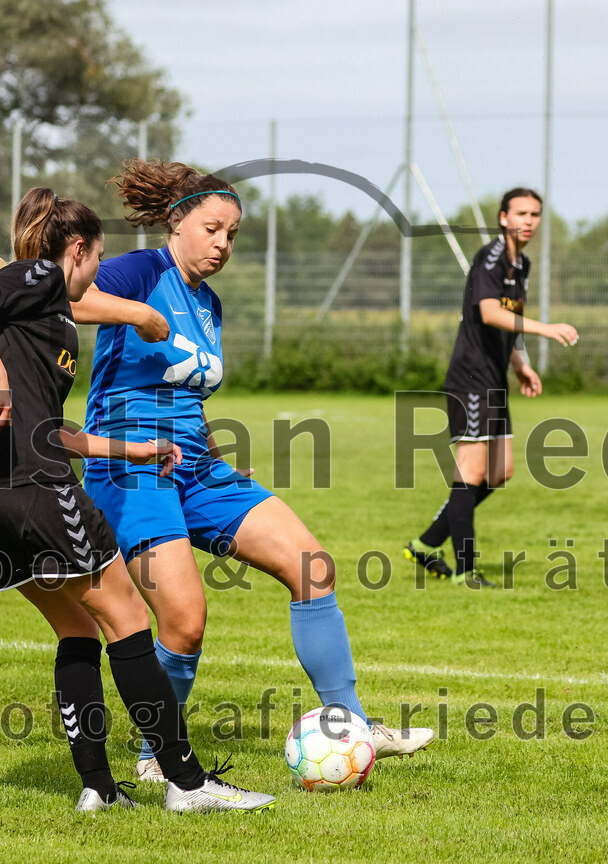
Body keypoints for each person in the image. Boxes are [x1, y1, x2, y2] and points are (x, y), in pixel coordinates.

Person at [76, 160, 436, 783]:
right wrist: (135, 315)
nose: (223, 244)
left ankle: (350, 723)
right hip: (130, 470)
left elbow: (188, 397)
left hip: (195, 468)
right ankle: (156, 757)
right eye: (213, 228)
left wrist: (212, 454)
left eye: (232, 234)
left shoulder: (209, 303)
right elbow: (69, 298)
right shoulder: (139, 271)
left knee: (311, 565)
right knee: (185, 623)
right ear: (177, 220)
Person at [0, 187, 275, 814]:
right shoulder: (42, 280)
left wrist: (133, 452)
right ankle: (187, 782)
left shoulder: (46, 322)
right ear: (78, 251)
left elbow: (51, 429)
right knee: (129, 617)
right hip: (27, 484)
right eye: (97, 258)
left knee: (75, 626)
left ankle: (98, 787)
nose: (99, 272)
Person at [403, 188, 580, 588]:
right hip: (470, 378)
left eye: (535, 214)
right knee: (471, 472)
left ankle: (427, 543)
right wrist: (546, 329)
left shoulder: (522, 265)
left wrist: (521, 365)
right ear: (503, 217)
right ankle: (465, 570)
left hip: (494, 380)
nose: (529, 220)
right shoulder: (492, 257)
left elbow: (507, 320)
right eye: (521, 213)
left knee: (500, 472)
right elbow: (488, 312)